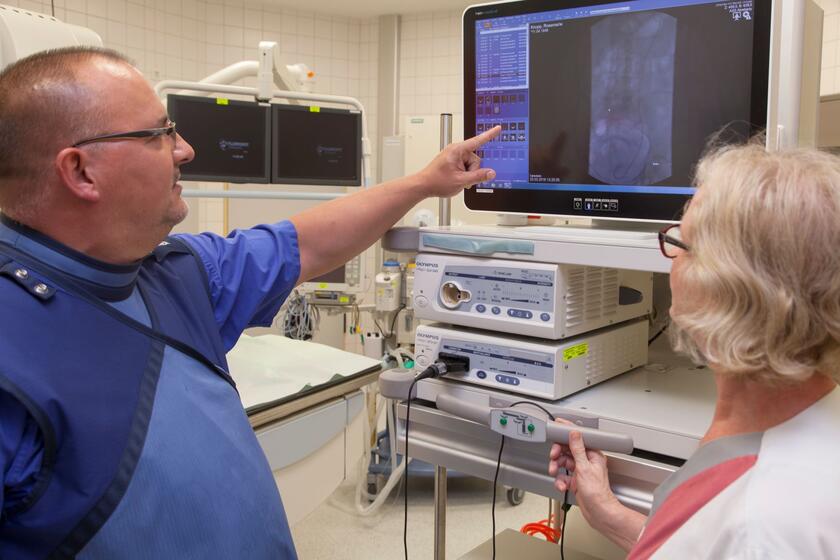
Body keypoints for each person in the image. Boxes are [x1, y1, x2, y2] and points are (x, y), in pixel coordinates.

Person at [0, 46, 499, 559]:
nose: (185, 150)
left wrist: (424, 182)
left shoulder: (176, 274)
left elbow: (307, 243)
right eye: (159, 134)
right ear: (81, 171)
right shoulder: (12, 352)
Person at [549, 142, 840, 559]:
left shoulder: (763, 525)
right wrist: (609, 515)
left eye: (679, 241)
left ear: (728, 287)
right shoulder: (794, 420)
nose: (670, 255)